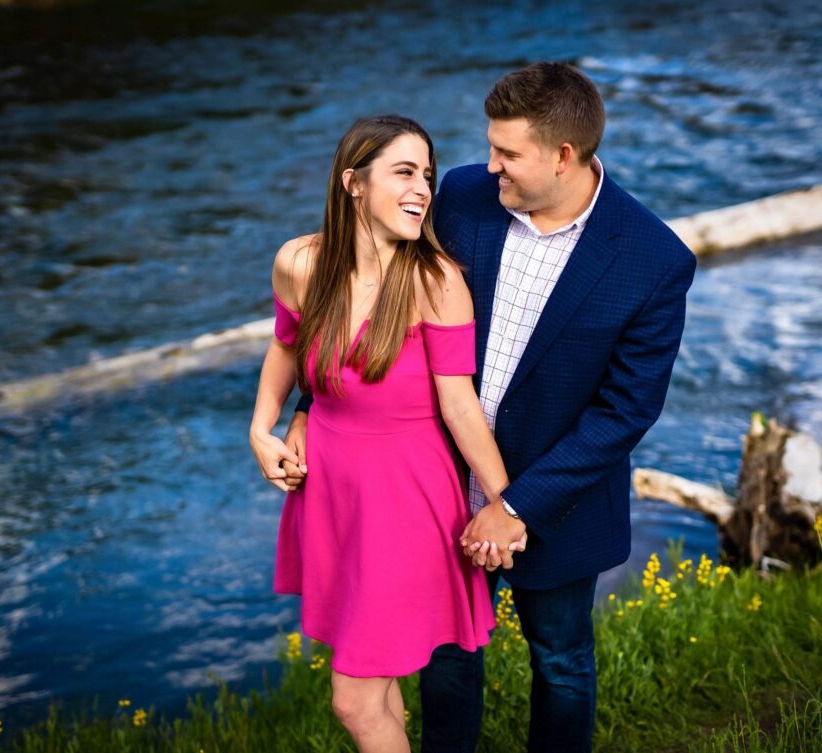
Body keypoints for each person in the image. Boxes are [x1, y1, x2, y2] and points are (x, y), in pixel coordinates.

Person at [283, 63, 696, 753]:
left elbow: (623, 413)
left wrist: (515, 505)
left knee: (560, 661)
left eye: (507, 154)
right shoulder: (469, 196)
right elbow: (372, 300)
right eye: (490, 146)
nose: (488, 164)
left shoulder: (652, 260)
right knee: (447, 655)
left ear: (563, 157)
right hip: (434, 480)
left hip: (554, 499)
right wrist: (306, 405)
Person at [248, 115, 522, 753]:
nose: (423, 187)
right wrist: (262, 429)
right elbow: (285, 349)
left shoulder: (435, 281)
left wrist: (506, 503)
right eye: (405, 172)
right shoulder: (299, 262)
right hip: (331, 493)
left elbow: (460, 406)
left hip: (406, 498)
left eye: (427, 175)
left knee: (354, 700)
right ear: (352, 183)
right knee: (380, 682)